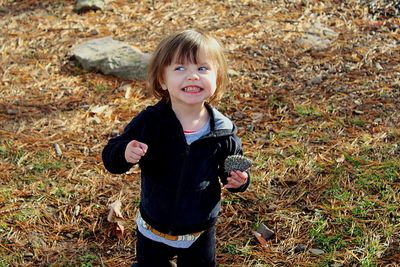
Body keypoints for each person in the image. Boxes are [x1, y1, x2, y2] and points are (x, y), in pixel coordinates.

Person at [102, 29, 250, 267]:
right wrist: (125, 152)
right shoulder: (151, 123)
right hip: (154, 226)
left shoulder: (222, 131)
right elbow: (111, 156)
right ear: (162, 79)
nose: (192, 76)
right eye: (180, 68)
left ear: (217, 78)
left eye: (202, 68)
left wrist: (239, 180)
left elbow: (232, 167)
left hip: (199, 231)